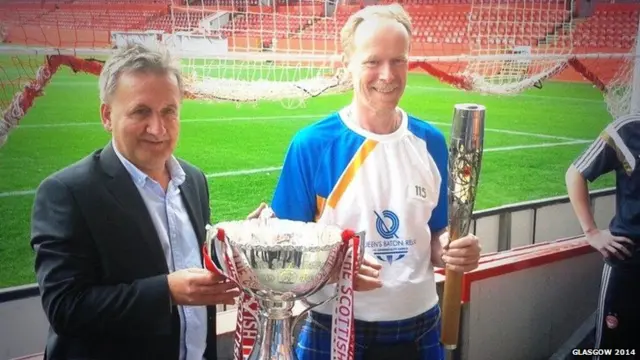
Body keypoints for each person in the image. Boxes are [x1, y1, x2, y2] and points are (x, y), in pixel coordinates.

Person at [269, 4, 482, 360]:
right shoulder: (312, 145)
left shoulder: (430, 141)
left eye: (398, 60)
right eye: (372, 61)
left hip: (422, 323)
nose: (388, 74)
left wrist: (451, 248)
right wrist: (331, 269)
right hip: (334, 326)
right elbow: (282, 258)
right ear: (347, 64)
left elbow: (434, 235)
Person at [29, 44, 262, 360]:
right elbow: (65, 307)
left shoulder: (193, 180)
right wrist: (165, 292)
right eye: (141, 111)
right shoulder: (66, 192)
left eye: (169, 111)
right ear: (107, 116)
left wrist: (235, 247)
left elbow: (185, 262)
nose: (158, 128)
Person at [565, 113, 640, 356]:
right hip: (629, 262)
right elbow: (575, 173)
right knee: (612, 350)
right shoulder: (627, 129)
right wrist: (591, 232)